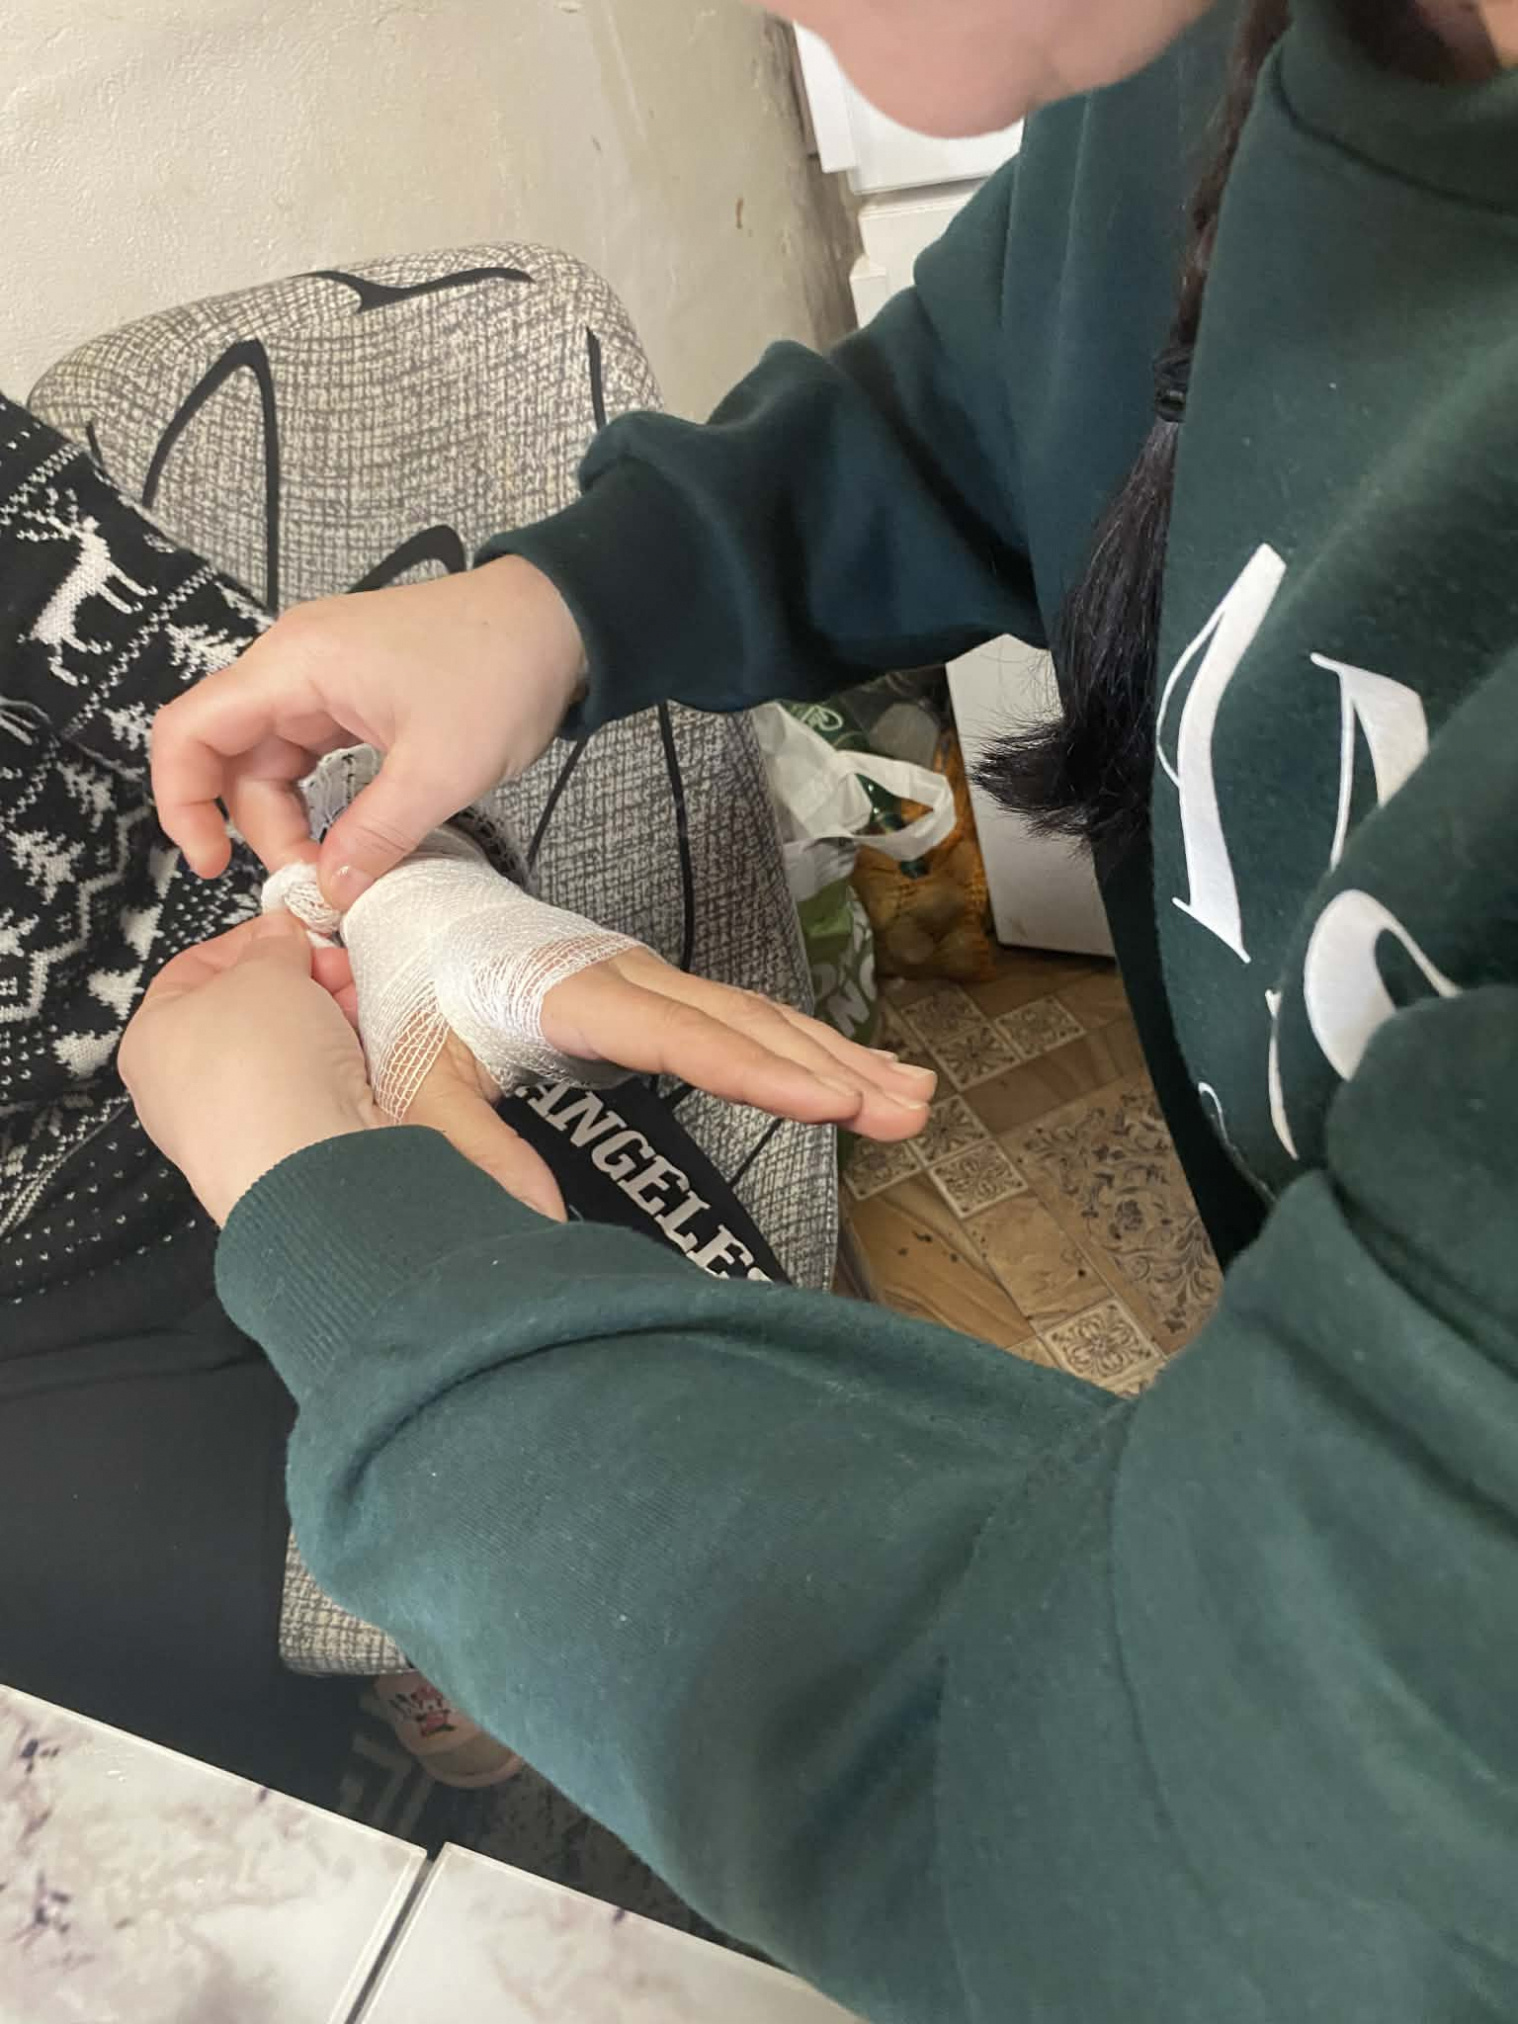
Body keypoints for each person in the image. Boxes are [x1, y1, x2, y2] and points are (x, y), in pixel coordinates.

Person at [132, 0, 1518, 2015]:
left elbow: (1157, 1853)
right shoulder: (1211, 67)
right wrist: (561, 603)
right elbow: (1004, 389)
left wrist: (336, 1219)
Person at [0, 397, 926, 1802]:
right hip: (41, 1300)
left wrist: (413, 913)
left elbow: (266, 756)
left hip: (310, 1036)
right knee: (151, 1758)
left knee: (651, 1496)